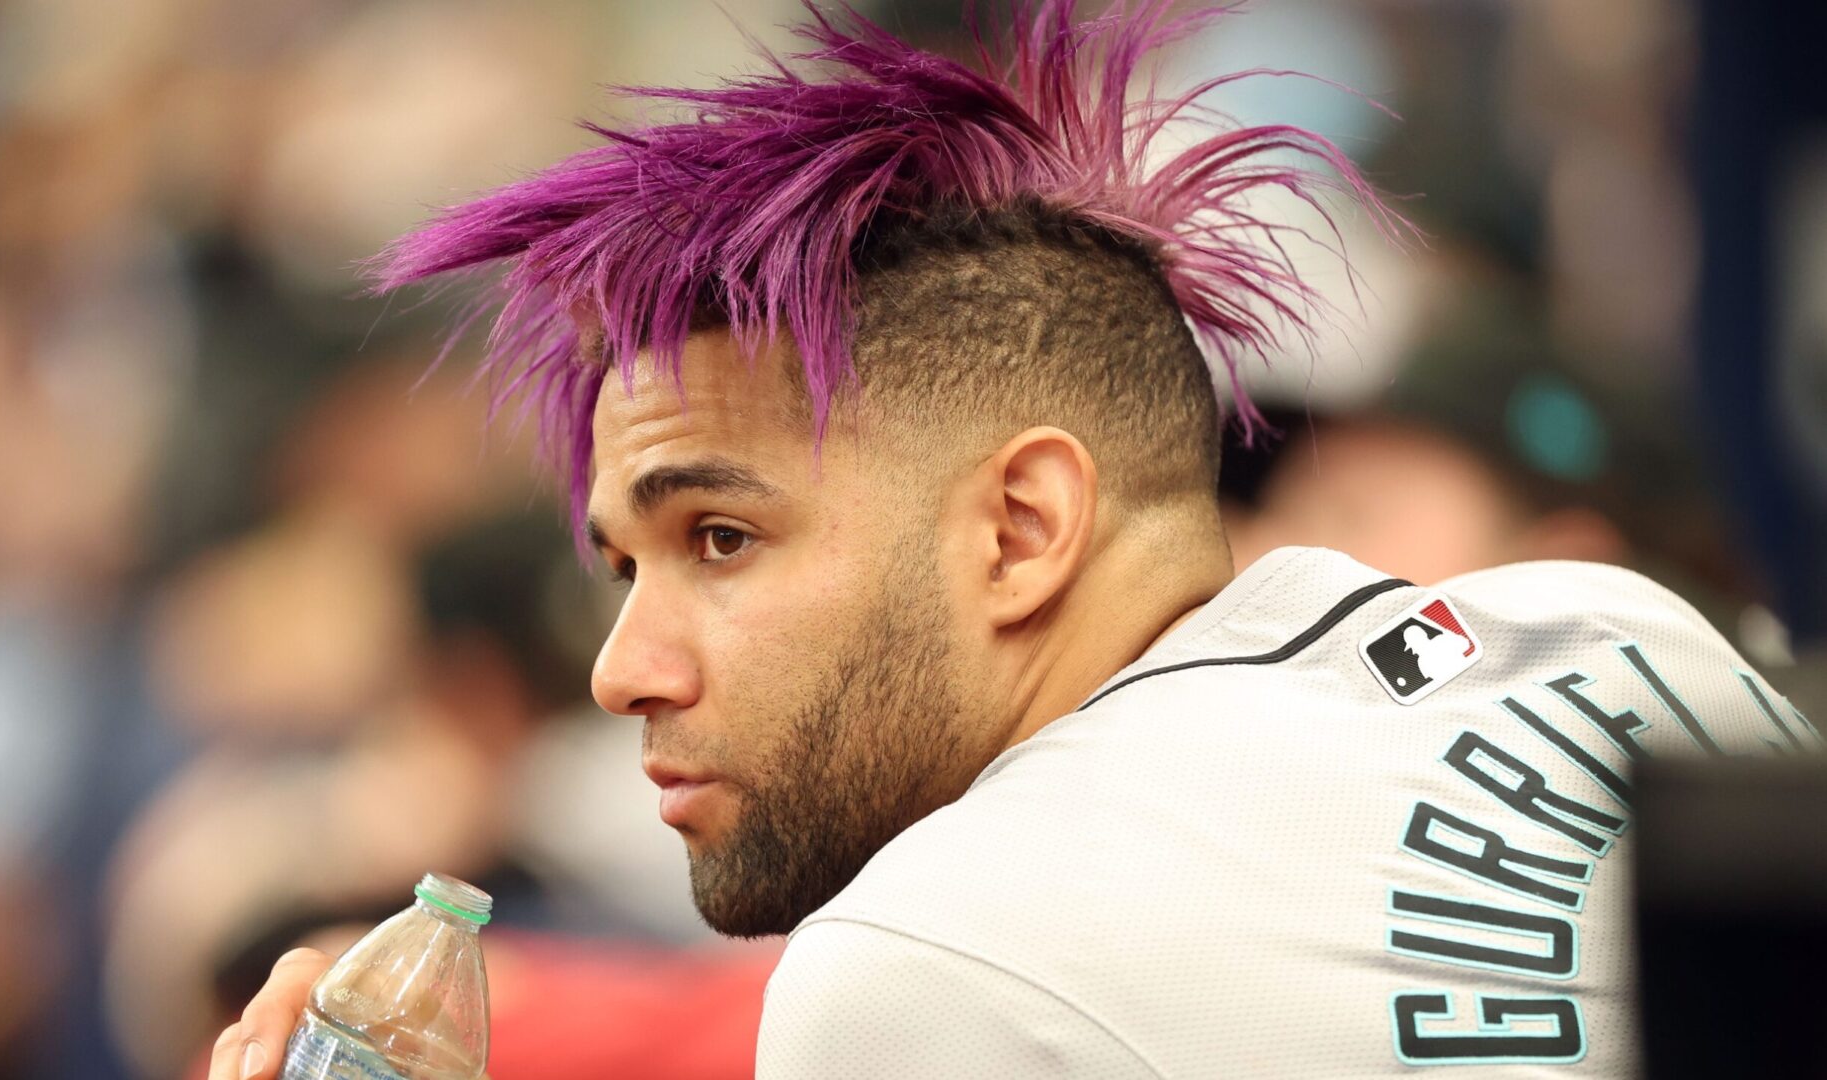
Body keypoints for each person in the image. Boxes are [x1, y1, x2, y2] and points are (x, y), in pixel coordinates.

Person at [208, 2, 1816, 1077]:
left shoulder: (921, 965)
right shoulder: (1605, 629)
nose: (625, 668)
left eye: (718, 537)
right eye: (622, 571)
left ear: (1022, 525)